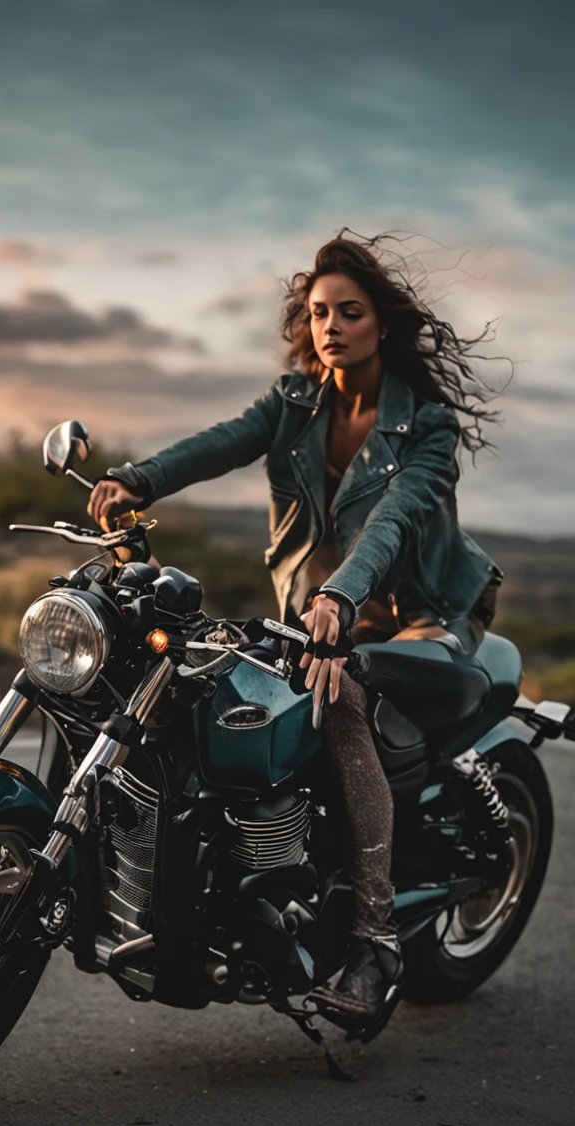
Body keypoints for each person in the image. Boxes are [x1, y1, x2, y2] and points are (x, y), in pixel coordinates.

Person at [88, 234, 503, 1034]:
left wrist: (343, 599)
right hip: (319, 613)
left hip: (423, 613)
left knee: (341, 696)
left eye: (349, 312)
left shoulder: (430, 430)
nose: (331, 326)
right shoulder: (295, 403)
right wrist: (138, 479)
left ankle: (375, 939)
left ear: (382, 324)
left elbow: (393, 521)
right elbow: (220, 444)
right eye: (318, 313)